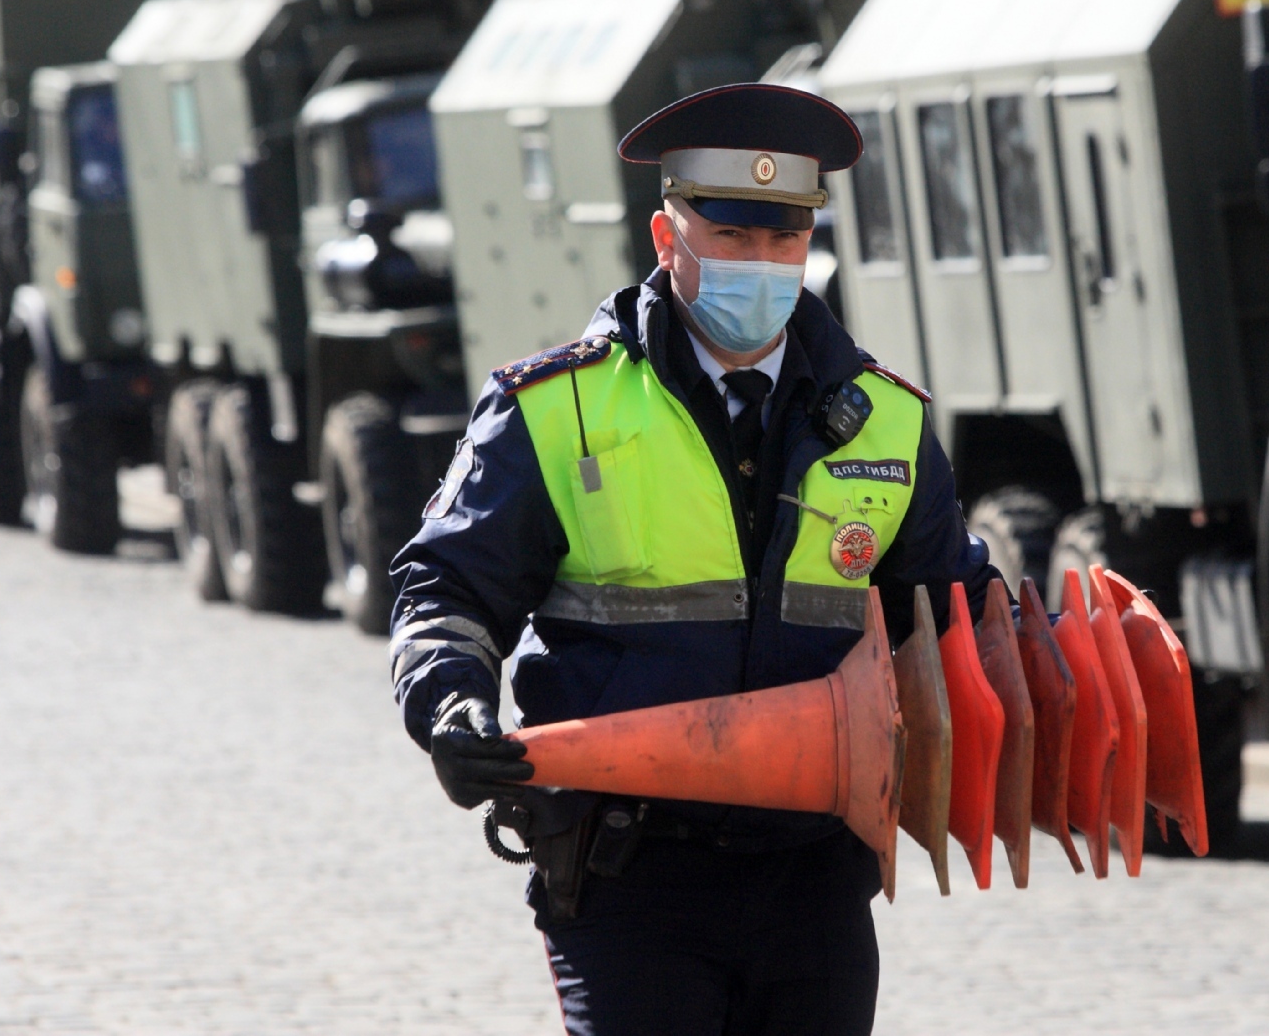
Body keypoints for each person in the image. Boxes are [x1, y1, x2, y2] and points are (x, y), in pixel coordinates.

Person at [387, 82, 998, 1035]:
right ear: (669, 240)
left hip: (814, 881)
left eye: (784, 240)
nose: (763, 264)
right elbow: (449, 588)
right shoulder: (555, 408)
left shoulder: (889, 420)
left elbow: (955, 621)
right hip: (629, 873)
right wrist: (449, 703)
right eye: (733, 238)